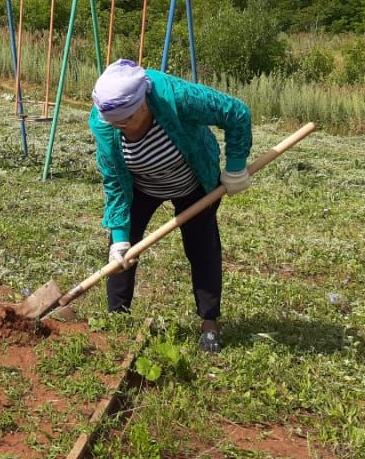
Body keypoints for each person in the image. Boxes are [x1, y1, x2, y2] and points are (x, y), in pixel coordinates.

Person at [90, 59, 252, 353]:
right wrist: (119, 236)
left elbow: (235, 112)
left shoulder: (175, 97)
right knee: (122, 252)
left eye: (124, 122)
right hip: (139, 187)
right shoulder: (104, 122)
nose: (119, 130)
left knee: (202, 248)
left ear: (142, 106)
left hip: (194, 183)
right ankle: (116, 320)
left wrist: (236, 167)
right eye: (113, 124)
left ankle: (209, 324)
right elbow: (114, 180)